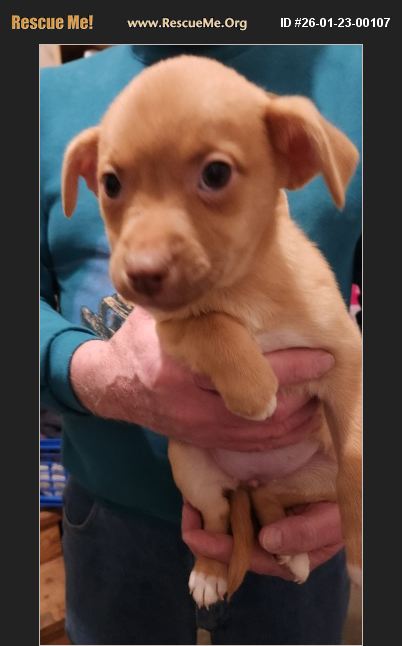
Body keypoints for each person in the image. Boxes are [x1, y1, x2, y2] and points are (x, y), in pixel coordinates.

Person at [40, 44, 361, 645]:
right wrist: (86, 368)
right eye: (113, 183)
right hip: (109, 520)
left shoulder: (364, 76)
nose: (143, 257)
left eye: (213, 175)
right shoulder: (39, 100)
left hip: (311, 517)